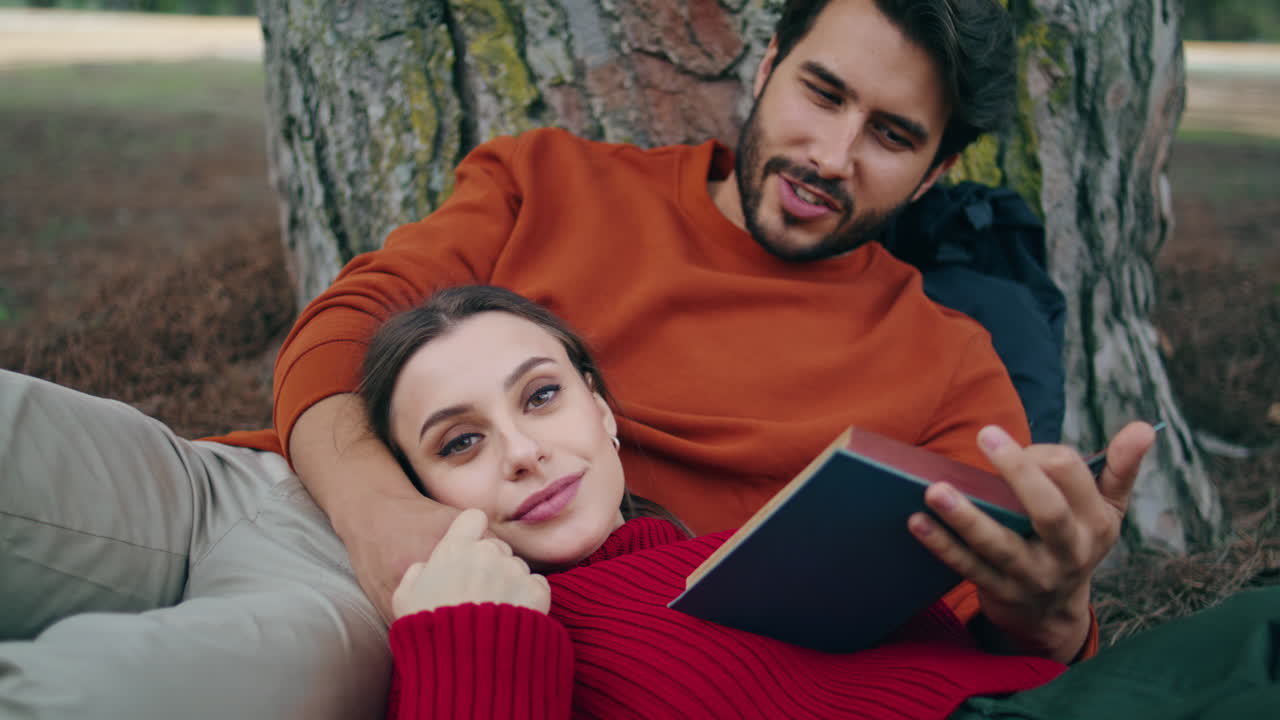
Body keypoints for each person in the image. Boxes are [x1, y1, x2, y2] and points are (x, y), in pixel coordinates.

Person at [0, 0, 1160, 717]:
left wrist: (1052, 613)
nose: (830, 152)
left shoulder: (946, 365)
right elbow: (351, 319)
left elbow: (958, 644)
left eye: (891, 135)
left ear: (935, 169)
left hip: (426, 614)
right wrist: (376, 512)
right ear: (765, 63)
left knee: (92, 694)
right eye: (820, 92)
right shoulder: (548, 175)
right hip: (258, 482)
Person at [363, 285, 1068, 719]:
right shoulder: (454, 648)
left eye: (542, 395)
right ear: (420, 491)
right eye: (460, 443)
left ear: (601, 411)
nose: (522, 451)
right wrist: (475, 635)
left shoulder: (763, 550)